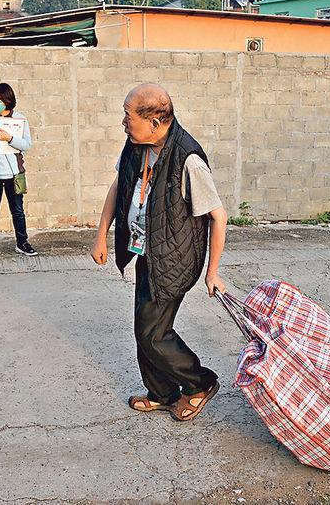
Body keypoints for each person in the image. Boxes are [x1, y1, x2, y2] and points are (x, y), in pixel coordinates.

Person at [90, 83, 228, 421]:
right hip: (147, 252)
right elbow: (119, 186)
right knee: (144, 330)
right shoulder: (138, 146)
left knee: (153, 334)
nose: (123, 122)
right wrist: (101, 235)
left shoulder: (189, 159)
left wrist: (213, 273)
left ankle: (199, 384)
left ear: (154, 120)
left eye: (128, 116)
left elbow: (218, 216)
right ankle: (162, 393)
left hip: (176, 259)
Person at [0, 83, 36, 261]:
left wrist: (9, 138)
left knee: (18, 210)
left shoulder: (20, 119)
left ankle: (22, 242)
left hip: (15, 174)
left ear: (6, 99)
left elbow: (27, 145)